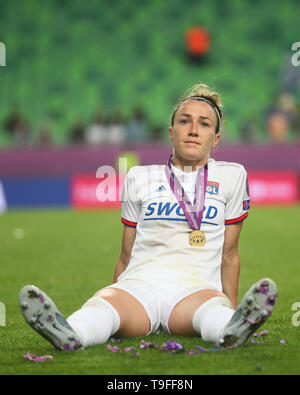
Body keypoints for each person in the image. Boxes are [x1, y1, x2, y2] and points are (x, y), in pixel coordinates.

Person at [19, 83, 277, 351]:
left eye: (204, 124)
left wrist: (231, 305)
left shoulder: (232, 177)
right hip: (140, 286)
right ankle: (71, 332)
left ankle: (232, 327)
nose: (193, 129)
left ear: (216, 138)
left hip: (196, 288)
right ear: (171, 131)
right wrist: (117, 292)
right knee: (103, 305)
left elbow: (230, 254)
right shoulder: (139, 177)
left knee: (213, 311)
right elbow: (125, 255)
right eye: (184, 121)